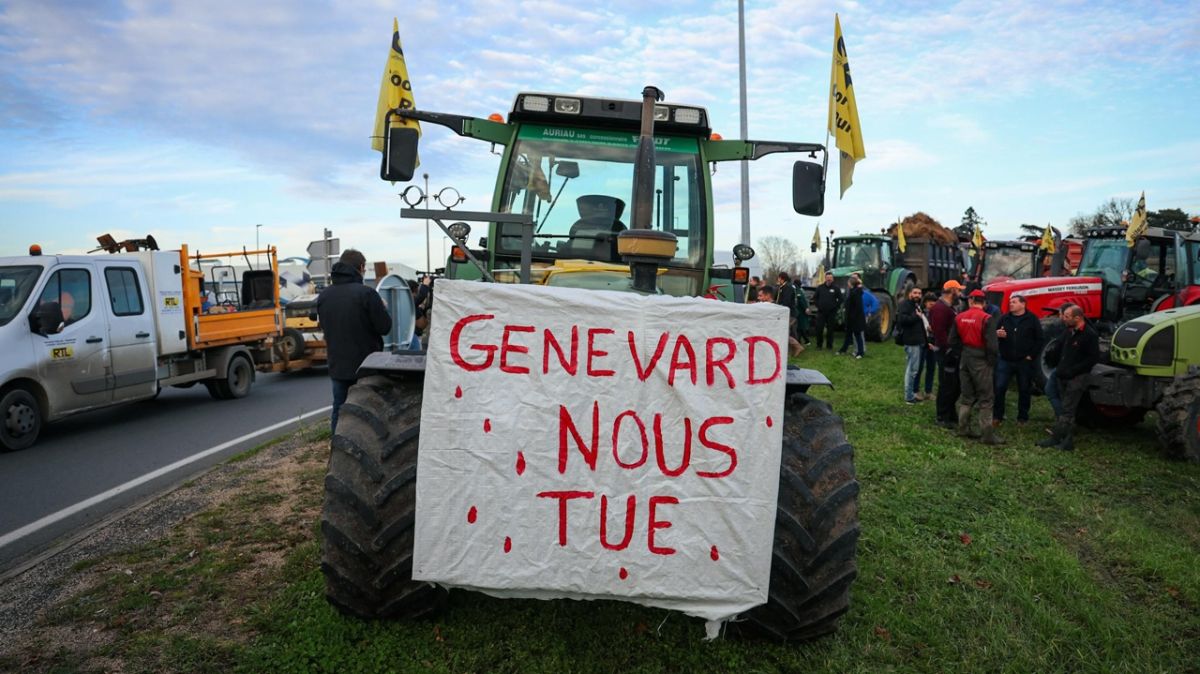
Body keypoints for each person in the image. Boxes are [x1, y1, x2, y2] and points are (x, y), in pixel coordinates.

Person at [317, 249, 392, 434]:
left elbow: (324, 326)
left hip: (337, 365)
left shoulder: (324, 295)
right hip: (367, 365)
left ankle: (337, 444)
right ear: (361, 267)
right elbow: (384, 327)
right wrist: (382, 308)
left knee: (340, 408)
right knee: (370, 410)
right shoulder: (367, 294)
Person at [1037, 305, 1099, 451]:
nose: (1063, 319)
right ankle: (1062, 437)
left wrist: (1073, 371)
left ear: (1077, 318)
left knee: (1067, 410)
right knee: (1066, 408)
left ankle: (1062, 439)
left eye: (1067, 317)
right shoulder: (1069, 331)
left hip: (1077, 378)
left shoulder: (1089, 335)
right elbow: (1060, 349)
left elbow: (1092, 358)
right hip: (1063, 375)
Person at [949, 290, 1004, 444]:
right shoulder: (987, 318)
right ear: (984, 302)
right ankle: (987, 435)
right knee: (986, 398)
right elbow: (992, 345)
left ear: (971, 301)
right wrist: (991, 361)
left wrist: (962, 352)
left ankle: (963, 428)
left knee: (967, 396)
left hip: (965, 357)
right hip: (981, 358)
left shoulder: (959, 317)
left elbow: (952, 340)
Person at [993, 294, 1043, 426]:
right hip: (1005, 359)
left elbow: (1040, 339)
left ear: (1023, 304)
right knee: (999, 387)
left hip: (1023, 361)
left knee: (1024, 389)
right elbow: (994, 333)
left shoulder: (1032, 319)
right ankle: (997, 416)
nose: (1011, 304)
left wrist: (1031, 355)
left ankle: (1022, 417)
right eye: (1010, 302)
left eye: (1014, 302)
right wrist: (997, 334)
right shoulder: (1004, 318)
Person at [929, 281, 963, 427]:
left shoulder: (947, 307)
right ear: (953, 291)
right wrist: (949, 350)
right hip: (946, 353)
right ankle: (942, 416)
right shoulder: (940, 308)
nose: (960, 294)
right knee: (947, 385)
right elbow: (940, 332)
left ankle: (950, 413)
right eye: (959, 291)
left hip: (951, 351)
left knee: (954, 385)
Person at [895, 286, 927, 404]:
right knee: (912, 370)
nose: (917, 295)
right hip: (911, 341)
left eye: (919, 293)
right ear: (910, 294)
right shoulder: (905, 304)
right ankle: (909, 397)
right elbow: (902, 320)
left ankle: (911, 394)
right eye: (915, 293)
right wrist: (916, 316)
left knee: (914, 368)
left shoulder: (916, 305)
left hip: (918, 341)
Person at [913, 292, 938, 399]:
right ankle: (915, 390)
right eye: (930, 303)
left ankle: (928, 391)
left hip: (933, 341)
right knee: (919, 367)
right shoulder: (921, 313)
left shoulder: (937, 313)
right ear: (925, 303)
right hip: (923, 341)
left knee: (931, 367)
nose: (932, 305)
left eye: (934, 303)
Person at [813, 272, 843, 350]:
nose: (829, 279)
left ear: (833, 279)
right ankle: (819, 345)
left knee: (830, 330)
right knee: (819, 329)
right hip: (821, 312)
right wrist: (818, 306)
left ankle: (829, 345)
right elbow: (815, 298)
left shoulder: (836, 288)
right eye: (827, 277)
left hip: (831, 313)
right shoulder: (820, 288)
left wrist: (835, 307)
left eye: (830, 278)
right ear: (825, 278)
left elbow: (841, 299)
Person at [838, 276, 866, 358]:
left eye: (848, 282)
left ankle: (860, 353)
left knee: (858, 336)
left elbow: (857, 307)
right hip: (850, 318)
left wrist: (853, 317)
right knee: (848, 335)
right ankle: (843, 349)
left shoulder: (855, 293)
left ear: (851, 283)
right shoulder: (852, 291)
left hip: (855, 319)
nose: (847, 284)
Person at [792, 276, 812, 344]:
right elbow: (803, 301)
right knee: (800, 327)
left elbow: (801, 301)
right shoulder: (799, 290)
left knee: (800, 327)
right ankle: (803, 341)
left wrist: (806, 308)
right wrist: (806, 308)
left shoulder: (797, 291)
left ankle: (802, 341)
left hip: (800, 311)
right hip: (800, 311)